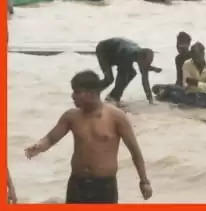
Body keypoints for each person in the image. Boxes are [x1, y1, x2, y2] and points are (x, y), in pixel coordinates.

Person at [25, 70, 153, 203]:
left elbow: (135, 152)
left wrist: (144, 181)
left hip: (104, 185)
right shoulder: (71, 116)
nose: (73, 96)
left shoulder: (116, 117)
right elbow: (51, 139)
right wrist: (38, 146)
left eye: (77, 92)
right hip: (77, 183)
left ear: (92, 93)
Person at [94, 38, 157, 105]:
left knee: (131, 73)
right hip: (104, 50)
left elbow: (145, 78)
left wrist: (150, 98)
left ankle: (113, 96)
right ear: (140, 58)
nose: (144, 65)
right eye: (145, 63)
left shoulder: (140, 56)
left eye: (148, 63)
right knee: (109, 78)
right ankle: (90, 92)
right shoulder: (128, 54)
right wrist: (117, 100)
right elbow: (120, 76)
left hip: (117, 52)